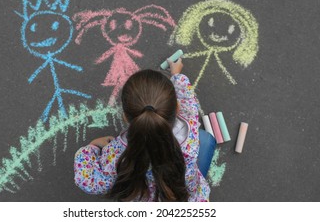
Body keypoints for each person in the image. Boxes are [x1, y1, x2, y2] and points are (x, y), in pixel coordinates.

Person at [74, 58, 216, 201]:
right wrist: (177, 76)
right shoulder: (190, 122)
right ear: (178, 108)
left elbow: (87, 180)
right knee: (206, 139)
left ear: (125, 117)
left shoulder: (118, 154)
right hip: (187, 196)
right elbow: (187, 98)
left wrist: (91, 148)